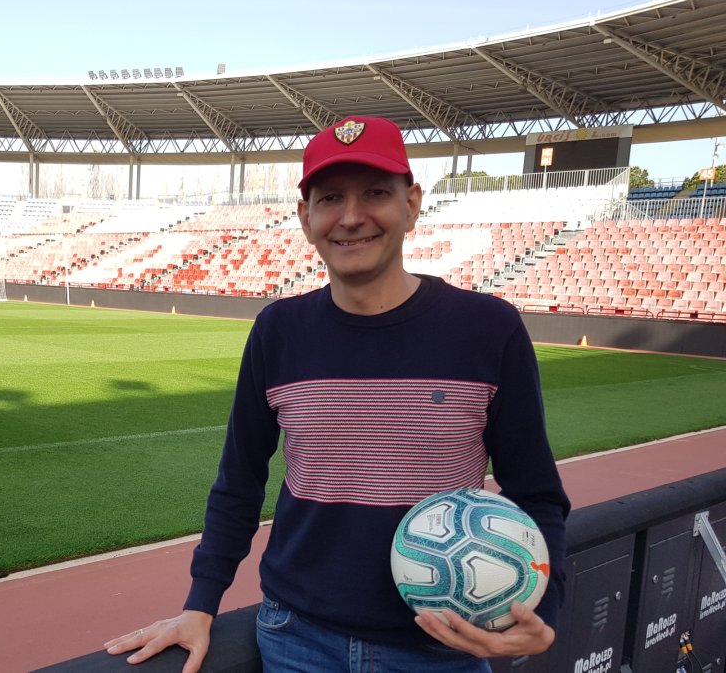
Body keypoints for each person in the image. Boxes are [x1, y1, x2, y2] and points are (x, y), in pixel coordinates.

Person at [104, 116, 570, 672]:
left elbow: (537, 493)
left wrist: (550, 610)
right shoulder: (278, 331)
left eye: (376, 193)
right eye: (330, 198)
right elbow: (239, 481)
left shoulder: (488, 329)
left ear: (411, 204)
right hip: (295, 637)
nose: (351, 217)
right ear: (306, 217)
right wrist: (201, 603)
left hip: (441, 650)